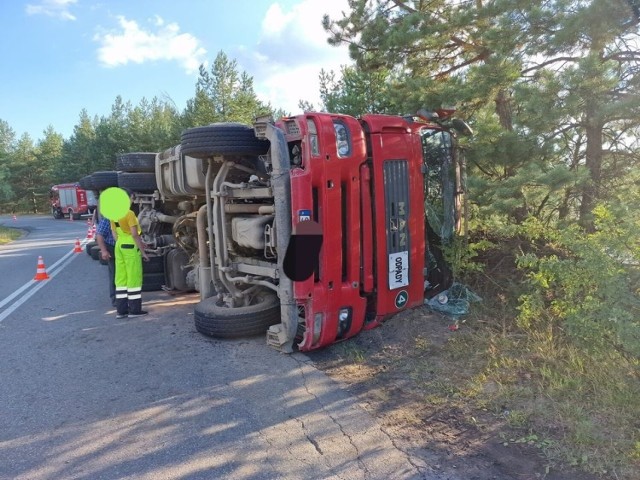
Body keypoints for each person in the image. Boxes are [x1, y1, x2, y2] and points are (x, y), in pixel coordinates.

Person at [110, 189, 149, 319]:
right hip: (130, 245)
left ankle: (121, 311)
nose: (133, 200)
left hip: (119, 245)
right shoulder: (130, 213)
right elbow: (134, 234)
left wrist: (120, 243)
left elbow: (114, 233)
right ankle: (135, 310)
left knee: (121, 278)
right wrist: (143, 251)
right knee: (133, 278)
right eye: (132, 197)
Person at [95, 212, 117, 306]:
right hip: (112, 249)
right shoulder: (108, 218)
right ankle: (115, 299)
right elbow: (99, 235)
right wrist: (104, 251)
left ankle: (124, 298)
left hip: (123, 249)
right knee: (115, 275)